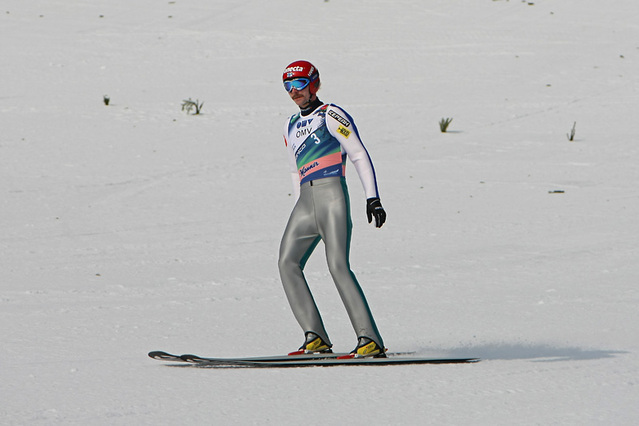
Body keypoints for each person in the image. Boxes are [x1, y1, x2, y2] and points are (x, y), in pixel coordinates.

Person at [278, 60, 387, 358]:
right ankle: (315, 337)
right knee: (287, 263)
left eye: (299, 85)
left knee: (338, 265)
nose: (293, 92)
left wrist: (372, 197)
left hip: (332, 196)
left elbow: (358, 153)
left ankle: (370, 340)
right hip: (305, 201)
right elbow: (292, 168)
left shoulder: (331, 114)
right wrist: (298, 201)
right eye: (287, 86)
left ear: (314, 85)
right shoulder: (290, 124)